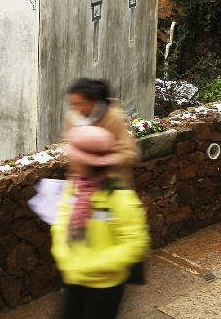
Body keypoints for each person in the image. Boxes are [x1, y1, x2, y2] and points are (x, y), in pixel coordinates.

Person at [51, 125, 149, 319]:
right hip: (74, 278)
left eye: (75, 157)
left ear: (89, 163)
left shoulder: (121, 199)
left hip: (105, 286)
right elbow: (62, 223)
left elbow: (136, 244)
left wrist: (92, 264)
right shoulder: (74, 189)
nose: (70, 161)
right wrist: (64, 254)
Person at [64, 78, 140, 186]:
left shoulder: (115, 117)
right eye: (73, 104)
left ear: (93, 101)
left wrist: (100, 161)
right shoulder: (72, 117)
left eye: (79, 103)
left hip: (112, 185)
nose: (76, 108)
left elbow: (130, 153)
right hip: (81, 184)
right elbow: (68, 144)